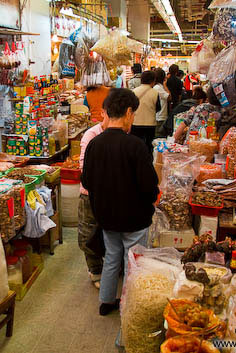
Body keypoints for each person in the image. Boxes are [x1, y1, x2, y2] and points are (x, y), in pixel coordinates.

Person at [82, 88, 160, 316]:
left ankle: (106, 302)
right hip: (135, 218)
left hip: (106, 217)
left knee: (112, 259)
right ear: (127, 112)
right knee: (134, 262)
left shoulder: (95, 144)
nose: (133, 119)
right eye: (133, 114)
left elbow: (86, 180)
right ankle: (131, 304)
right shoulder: (135, 145)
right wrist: (151, 201)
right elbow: (149, 185)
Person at [78, 112, 109, 289]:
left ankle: (110, 267)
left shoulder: (121, 132)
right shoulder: (91, 135)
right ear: (104, 114)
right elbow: (84, 167)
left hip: (110, 195)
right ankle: (95, 270)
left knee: (109, 233)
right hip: (90, 194)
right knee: (89, 234)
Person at [130, 70, 159, 154]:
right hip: (150, 124)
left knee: (136, 146)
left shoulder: (134, 91)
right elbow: (158, 108)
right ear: (153, 81)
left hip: (135, 123)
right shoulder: (155, 93)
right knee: (149, 146)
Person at [152, 68, 170, 137]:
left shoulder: (158, 87)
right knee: (159, 136)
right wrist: (165, 85)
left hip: (160, 116)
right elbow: (169, 97)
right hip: (160, 116)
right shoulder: (158, 87)